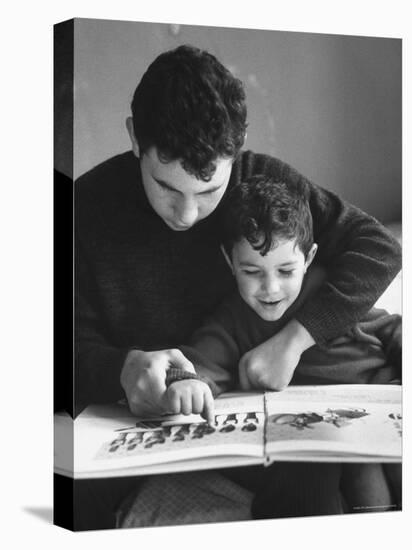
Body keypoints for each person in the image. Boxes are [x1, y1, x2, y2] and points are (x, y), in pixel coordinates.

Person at [73, 44, 401, 529]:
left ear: (239, 146)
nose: (186, 214)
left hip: (272, 422)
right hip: (149, 418)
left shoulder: (265, 184)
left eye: (208, 191)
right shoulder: (83, 209)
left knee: (319, 477)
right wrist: (118, 368)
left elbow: (378, 248)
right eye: (165, 186)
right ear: (134, 139)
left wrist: (294, 341)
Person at [165, 175, 401, 515]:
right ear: (230, 262)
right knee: (334, 481)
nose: (271, 289)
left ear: (308, 258)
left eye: (286, 271)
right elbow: (200, 364)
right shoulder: (231, 320)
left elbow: (392, 329)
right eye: (252, 271)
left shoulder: (332, 297)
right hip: (318, 441)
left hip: (380, 406)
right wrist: (186, 382)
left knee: (388, 470)